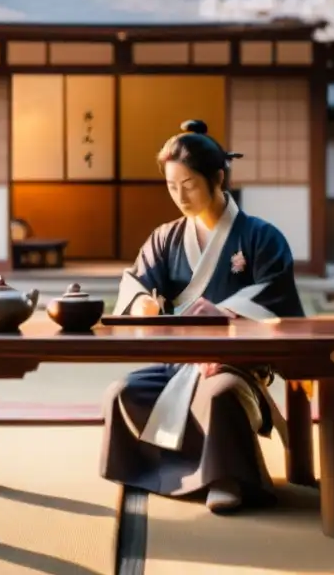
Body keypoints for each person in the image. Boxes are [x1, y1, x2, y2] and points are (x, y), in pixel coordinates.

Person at [99, 119, 306, 514]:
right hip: (180, 361)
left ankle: (225, 478)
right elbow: (136, 283)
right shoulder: (166, 238)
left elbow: (279, 298)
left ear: (218, 178)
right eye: (172, 186)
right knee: (122, 392)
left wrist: (227, 314)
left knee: (220, 394)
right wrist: (144, 303)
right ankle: (153, 471)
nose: (180, 196)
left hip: (237, 364)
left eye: (189, 185)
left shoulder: (261, 237)